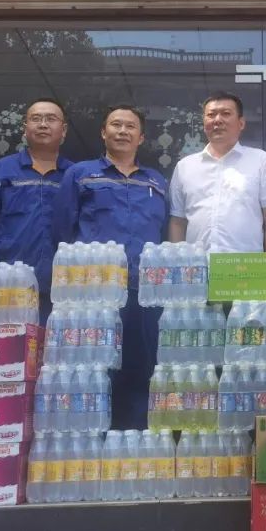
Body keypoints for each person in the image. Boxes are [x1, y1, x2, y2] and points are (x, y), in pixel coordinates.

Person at [54, 104, 167, 430]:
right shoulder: (81, 174)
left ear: (141, 137)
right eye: (115, 125)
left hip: (145, 291)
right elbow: (62, 230)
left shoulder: (156, 181)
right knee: (96, 367)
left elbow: (164, 233)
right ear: (104, 132)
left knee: (143, 364)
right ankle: (94, 436)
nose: (122, 131)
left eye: (130, 126)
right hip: (95, 293)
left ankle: (134, 437)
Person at [0, 98, 73, 322]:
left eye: (51, 119)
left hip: (61, 287)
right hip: (7, 284)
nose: (43, 124)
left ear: (63, 130)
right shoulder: (3, 169)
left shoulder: (73, 175)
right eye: (36, 119)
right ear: (25, 128)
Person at [168, 91, 266, 260]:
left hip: (245, 268)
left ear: (241, 123)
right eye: (211, 115)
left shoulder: (261, 160)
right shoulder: (185, 167)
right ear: (204, 122)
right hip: (196, 268)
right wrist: (177, 266)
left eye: (226, 113)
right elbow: (178, 221)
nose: (217, 120)